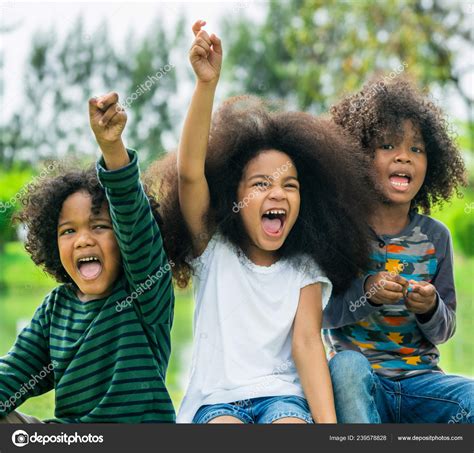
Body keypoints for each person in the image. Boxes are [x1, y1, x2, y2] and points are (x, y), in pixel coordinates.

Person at [147, 20, 374, 424]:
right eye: (260, 184)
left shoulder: (305, 268)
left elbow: (308, 344)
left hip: (282, 401)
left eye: (290, 185)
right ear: (233, 195)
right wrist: (205, 86)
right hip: (214, 403)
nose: (277, 194)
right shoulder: (211, 248)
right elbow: (188, 174)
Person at [0, 92, 175, 423]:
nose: (82, 240)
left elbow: (134, 221)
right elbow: (15, 371)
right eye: (68, 231)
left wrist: (112, 149)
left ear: (122, 238)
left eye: (99, 226)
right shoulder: (57, 308)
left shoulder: (145, 292)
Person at [324, 75, 472, 423]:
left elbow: (445, 328)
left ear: (431, 163)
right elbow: (323, 313)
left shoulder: (436, 238)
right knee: (344, 366)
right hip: (362, 385)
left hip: (422, 384)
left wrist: (431, 306)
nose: (404, 157)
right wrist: (367, 294)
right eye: (388, 146)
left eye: (416, 149)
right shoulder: (342, 232)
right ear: (359, 156)